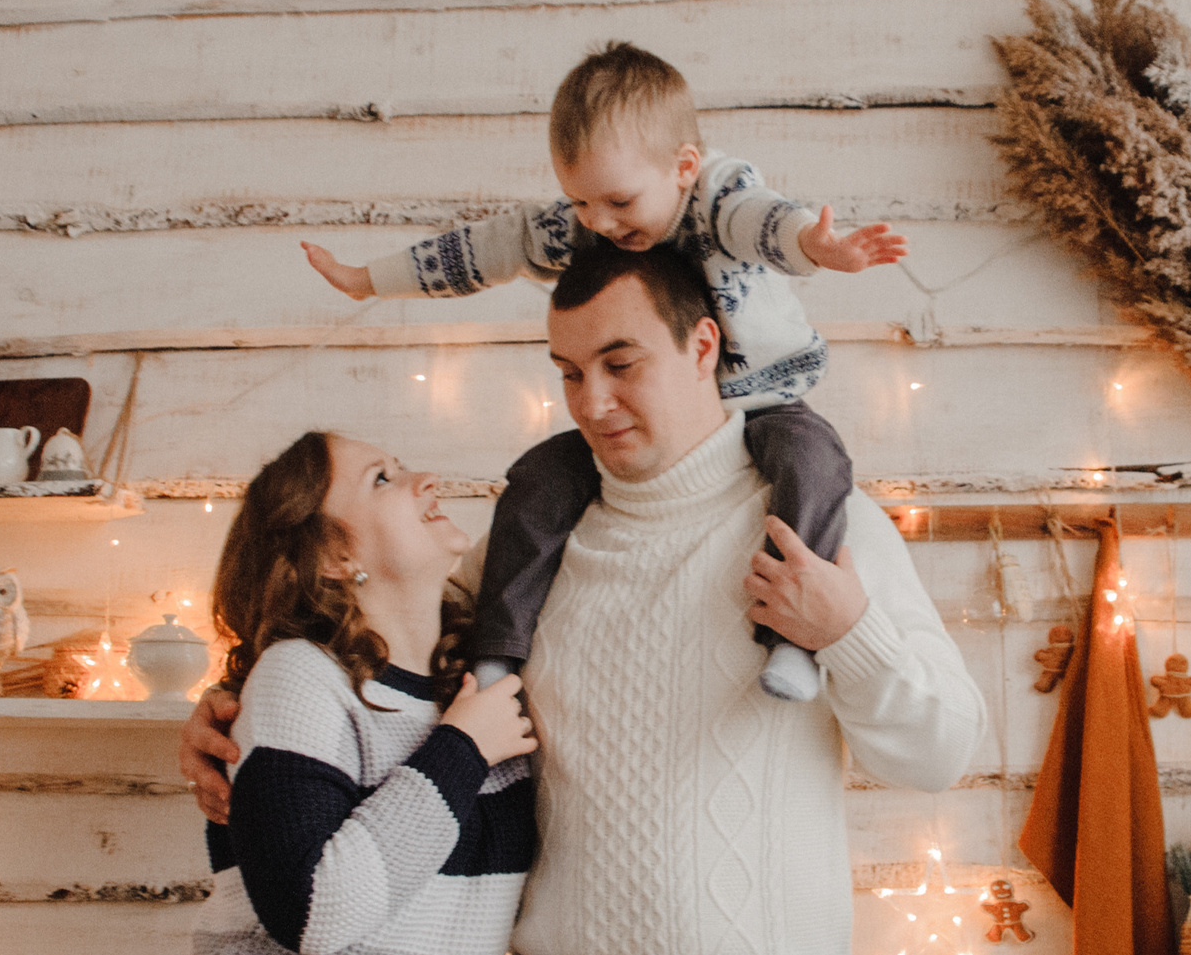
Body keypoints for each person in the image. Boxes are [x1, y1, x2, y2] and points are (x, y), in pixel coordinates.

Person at [186, 241, 984, 955]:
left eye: (620, 363)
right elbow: (369, 654)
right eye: (568, 371)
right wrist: (228, 706)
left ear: (703, 345)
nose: (592, 401)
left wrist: (848, 631)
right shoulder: (529, 542)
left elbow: (942, 751)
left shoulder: (823, 526)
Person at [301, 41, 907, 704]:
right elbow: (485, 249)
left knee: (813, 464)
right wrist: (369, 279)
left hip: (767, 396)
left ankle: (792, 641)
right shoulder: (589, 222)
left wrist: (813, 245)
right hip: (657, 446)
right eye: (581, 202)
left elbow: (762, 221)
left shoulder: (717, 198)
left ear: (683, 167)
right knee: (538, 479)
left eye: (618, 201)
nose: (599, 222)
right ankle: (498, 651)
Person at [135, 431, 537, 955]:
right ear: (331, 554)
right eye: (384, 477)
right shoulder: (302, 677)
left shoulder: (480, 688)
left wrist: (465, 738)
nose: (424, 477)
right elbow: (314, 911)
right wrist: (460, 751)